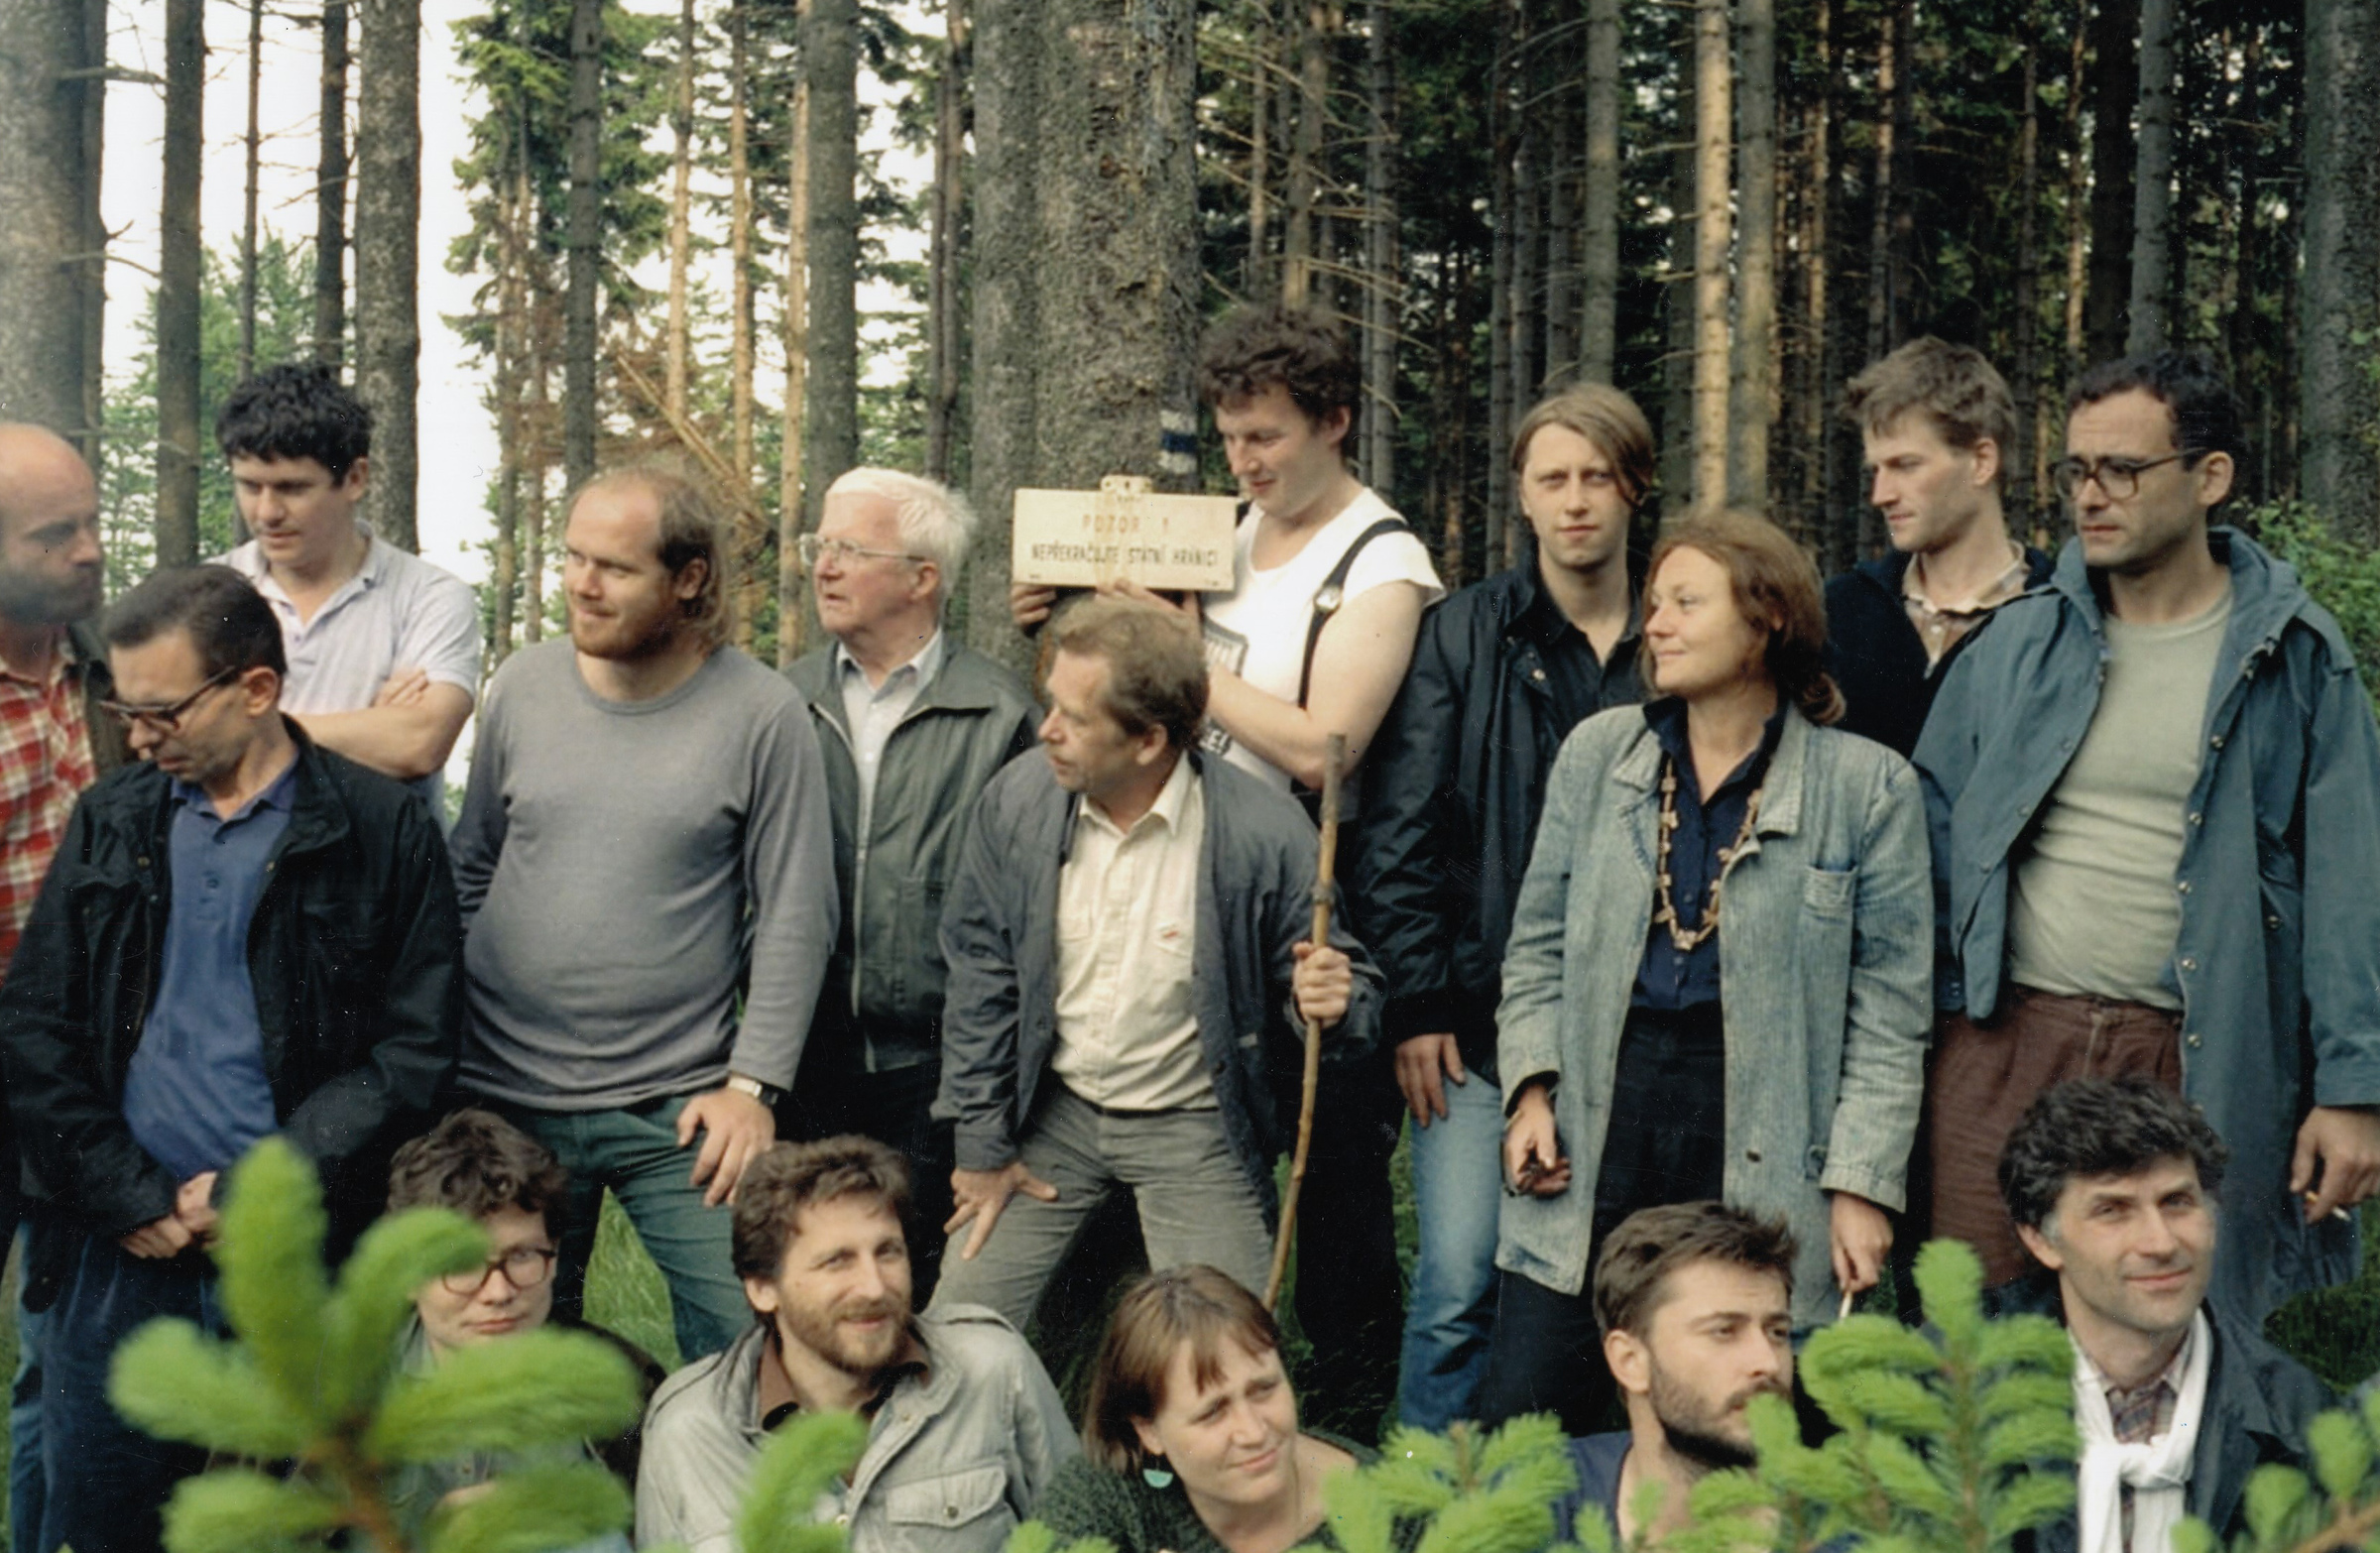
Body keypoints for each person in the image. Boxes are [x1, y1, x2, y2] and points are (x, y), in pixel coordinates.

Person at [0, 564, 462, 1553]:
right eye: (125, 712)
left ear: (256, 690)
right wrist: (126, 1195)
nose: (138, 738)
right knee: (106, 1519)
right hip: (123, 1252)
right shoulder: (113, 818)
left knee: (293, 1525)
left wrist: (263, 1186)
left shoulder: (378, 830)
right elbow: (34, 1025)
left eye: (161, 713)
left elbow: (413, 1052)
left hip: (299, 1255)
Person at [1915, 349, 2380, 1322]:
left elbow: (2352, 887)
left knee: (2170, 1341)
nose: (2091, 496)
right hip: (2006, 1048)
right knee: (1977, 1347)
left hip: (2190, 1056)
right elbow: (1927, 848)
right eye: (2077, 471)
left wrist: (2353, 1090)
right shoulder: (2017, 642)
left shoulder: (2294, 658)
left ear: (2210, 477)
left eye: (2123, 470)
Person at [1477, 510, 1931, 1434]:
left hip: (1764, 1118)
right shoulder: (1600, 756)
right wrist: (1531, 1089)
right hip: (1602, 1110)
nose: (1656, 625)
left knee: (1749, 1416)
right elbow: (1536, 948)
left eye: (1686, 602)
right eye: (1653, 604)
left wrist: (1860, 1183)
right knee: (1533, 1415)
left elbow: (1891, 1014)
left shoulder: (1868, 788)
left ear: (1767, 619)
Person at [449, 461, 837, 1362]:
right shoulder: (524, 685)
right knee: (503, 1355)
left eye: (615, 568)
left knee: (755, 1347)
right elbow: (473, 864)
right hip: (505, 1094)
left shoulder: (763, 713)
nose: (581, 584)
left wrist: (752, 1087)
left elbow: (795, 914)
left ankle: (711, 1460)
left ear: (689, 578)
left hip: (681, 1105)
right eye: (573, 558)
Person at [931, 596, 1381, 1328]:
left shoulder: (1261, 834)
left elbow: (1349, 995)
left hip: (1194, 1124)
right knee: (957, 1330)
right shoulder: (1019, 801)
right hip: (1056, 1114)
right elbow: (981, 973)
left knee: (1225, 1346)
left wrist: (1326, 1001)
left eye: (1075, 718)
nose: (1046, 730)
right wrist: (982, 1147)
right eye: (1051, 704)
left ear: (1148, 741)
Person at [1351, 383, 1655, 1431]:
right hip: (1473, 1029)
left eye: (1597, 477)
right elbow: (1400, 829)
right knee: (1457, 1283)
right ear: (1522, 496)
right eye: (1551, 479)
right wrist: (1419, 1003)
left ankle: (1593, 1491)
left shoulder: (1675, 633)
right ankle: (1424, 1500)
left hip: (1640, 1024)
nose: (1575, 502)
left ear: (1634, 489)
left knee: (1618, 1282)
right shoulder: (1463, 636)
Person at [785, 468, 1039, 1301]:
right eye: (819, 545)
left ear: (922, 578)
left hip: (936, 1072)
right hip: (804, 1061)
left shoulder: (1002, 714)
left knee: (915, 1296)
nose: (823, 566)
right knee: (811, 1289)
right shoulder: (783, 703)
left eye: (849, 549)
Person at [635, 1135, 1076, 1553]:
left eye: (888, 1252)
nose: (874, 1287)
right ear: (763, 1288)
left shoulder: (992, 1369)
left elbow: (1084, 1537)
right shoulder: (689, 1431)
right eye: (837, 1261)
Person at [1998, 1078, 2332, 1553]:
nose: (2160, 1243)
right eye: (2113, 1210)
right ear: (2041, 1239)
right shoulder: (1954, 1393)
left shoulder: (2299, 1419)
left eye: (2177, 1202)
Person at [0, 424, 124, 1553]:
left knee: (65, 1355)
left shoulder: (113, 675)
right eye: (56, 534)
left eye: (90, 521)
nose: (90, 550)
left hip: (89, 1079)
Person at [384, 1108, 662, 1553]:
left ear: (554, 1256)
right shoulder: (338, 1388)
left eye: (522, 1256)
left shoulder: (621, 1384)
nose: (498, 1292)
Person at [213, 363, 481, 803]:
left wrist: (238, 728)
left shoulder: (428, 597)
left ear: (355, 479)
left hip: (382, 849)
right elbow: (171, 740)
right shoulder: (207, 593)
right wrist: (371, 730)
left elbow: (419, 743)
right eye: (250, 486)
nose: (267, 512)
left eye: (292, 488)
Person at [1034, 1264, 1392, 1553]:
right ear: (1148, 1430)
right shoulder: (1105, 1492)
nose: (1253, 1432)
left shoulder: (1393, 1517)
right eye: (1213, 1412)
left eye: (1264, 1390)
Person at [1823, 337, 2054, 757]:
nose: (1880, 495)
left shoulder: (2061, 621)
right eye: (1876, 471)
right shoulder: (1837, 614)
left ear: (1982, 461)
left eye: (1905, 465)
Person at [1548, 1203, 1798, 1546]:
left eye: (1778, 1333)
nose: (1767, 1362)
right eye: (1724, 1331)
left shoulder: (1844, 1533)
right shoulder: (1537, 1503)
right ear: (1630, 1361)